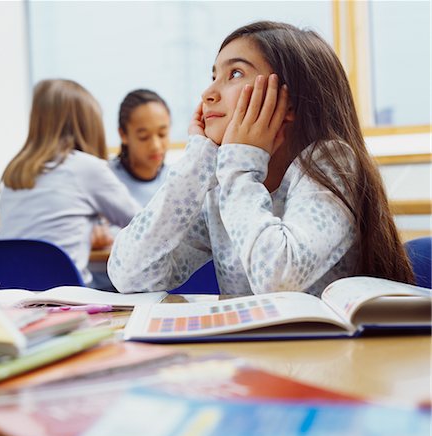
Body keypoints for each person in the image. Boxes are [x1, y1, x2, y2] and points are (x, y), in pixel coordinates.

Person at [108, 21, 414, 296]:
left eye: (235, 73)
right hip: (256, 357)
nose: (208, 93)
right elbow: (130, 274)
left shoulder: (331, 163)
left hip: (332, 357)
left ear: (289, 102)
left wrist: (239, 165)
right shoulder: (222, 189)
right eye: (213, 75)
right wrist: (198, 159)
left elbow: (278, 279)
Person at [0, 79, 141, 288]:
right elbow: (144, 224)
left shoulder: (15, 172)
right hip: (66, 300)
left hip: (9, 300)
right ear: (88, 125)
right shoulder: (86, 168)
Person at [109, 89, 171, 206]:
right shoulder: (106, 180)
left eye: (162, 134)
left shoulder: (177, 180)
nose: (155, 146)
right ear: (123, 134)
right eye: (144, 137)